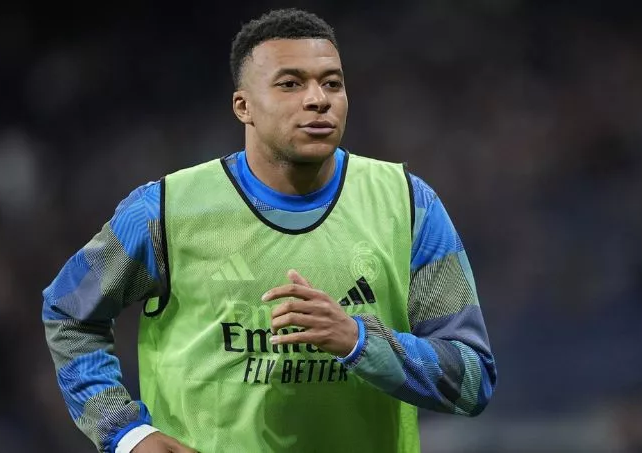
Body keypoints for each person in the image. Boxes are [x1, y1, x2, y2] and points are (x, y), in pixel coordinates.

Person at [42, 8, 497, 453]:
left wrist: (359, 341)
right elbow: (69, 312)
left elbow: (472, 378)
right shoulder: (163, 211)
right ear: (244, 106)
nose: (318, 99)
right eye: (290, 84)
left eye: (332, 83)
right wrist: (127, 434)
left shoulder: (409, 204)